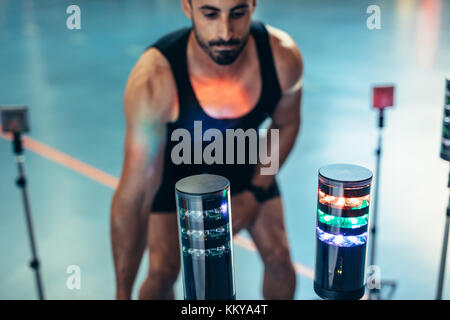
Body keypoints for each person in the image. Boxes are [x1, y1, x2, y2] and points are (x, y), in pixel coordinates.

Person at [110, 0, 303, 300]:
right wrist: (122, 294)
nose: (225, 32)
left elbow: (286, 124)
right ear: (187, 7)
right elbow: (134, 197)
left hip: (242, 158)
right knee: (161, 273)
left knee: (279, 257)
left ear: (253, 5)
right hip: (176, 169)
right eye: (210, 14)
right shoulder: (154, 80)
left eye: (237, 13)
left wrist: (255, 190)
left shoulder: (282, 58)